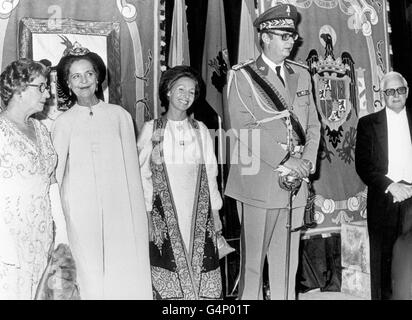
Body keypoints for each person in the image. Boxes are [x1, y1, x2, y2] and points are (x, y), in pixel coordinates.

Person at [224, 3, 320, 300]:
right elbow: (243, 126)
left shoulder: (302, 75)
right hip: (260, 182)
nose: (291, 41)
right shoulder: (242, 76)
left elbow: (314, 125)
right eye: (284, 35)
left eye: (292, 36)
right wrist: (286, 160)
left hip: (295, 183)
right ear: (264, 36)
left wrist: (305, 162)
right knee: (253, 264)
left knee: (286, 262)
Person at [51, 43, 152, 299]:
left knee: (123, 267)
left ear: (98, 78)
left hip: (119, 208)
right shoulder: (63, 123)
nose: (83, 80)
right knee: (89, 273)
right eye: (76, 76)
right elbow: (56, 176)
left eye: (89, 74)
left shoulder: (119, 116)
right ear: (68, 83)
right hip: (80, 213)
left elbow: (132, 169)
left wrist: (139, 212)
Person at [137, 65, 225, 299]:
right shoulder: (151, 129)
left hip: (199, 215)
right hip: (162, 215)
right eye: (181, 89)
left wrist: (215, 213)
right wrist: (147, 217)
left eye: (192, 91)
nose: (186, 96)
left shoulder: (201, 130)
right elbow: (143, 177)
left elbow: (210, 172)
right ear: (167, 91)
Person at [0, 58, 69, 299]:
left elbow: (50, 183)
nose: (48, 93)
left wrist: (61, 235)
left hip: (41, 236)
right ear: (18, 89)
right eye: (40, 86)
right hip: (8, 238)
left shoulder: (41, 129)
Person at [355, 71, 412, 300]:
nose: (395, 95)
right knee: (384, 261)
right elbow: (363, 166)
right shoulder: (368, 124)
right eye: (390, 91)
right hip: (384, 196)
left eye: (400, 90)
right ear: (382, 94)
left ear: (407, 92)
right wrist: (391, 186)